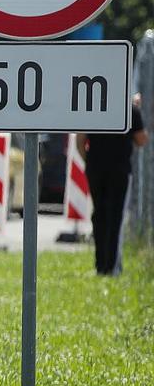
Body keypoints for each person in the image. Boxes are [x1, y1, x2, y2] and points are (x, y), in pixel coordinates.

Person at [81, 97, 147, 276]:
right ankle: (112, 266)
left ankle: (100, 264)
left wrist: (88, 161)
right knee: (115, 217)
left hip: (95, 167)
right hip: (120, 169)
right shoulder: (130, 110)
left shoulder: (93, 106)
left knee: (99, 214)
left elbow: (81, 138)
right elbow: (141, 140)